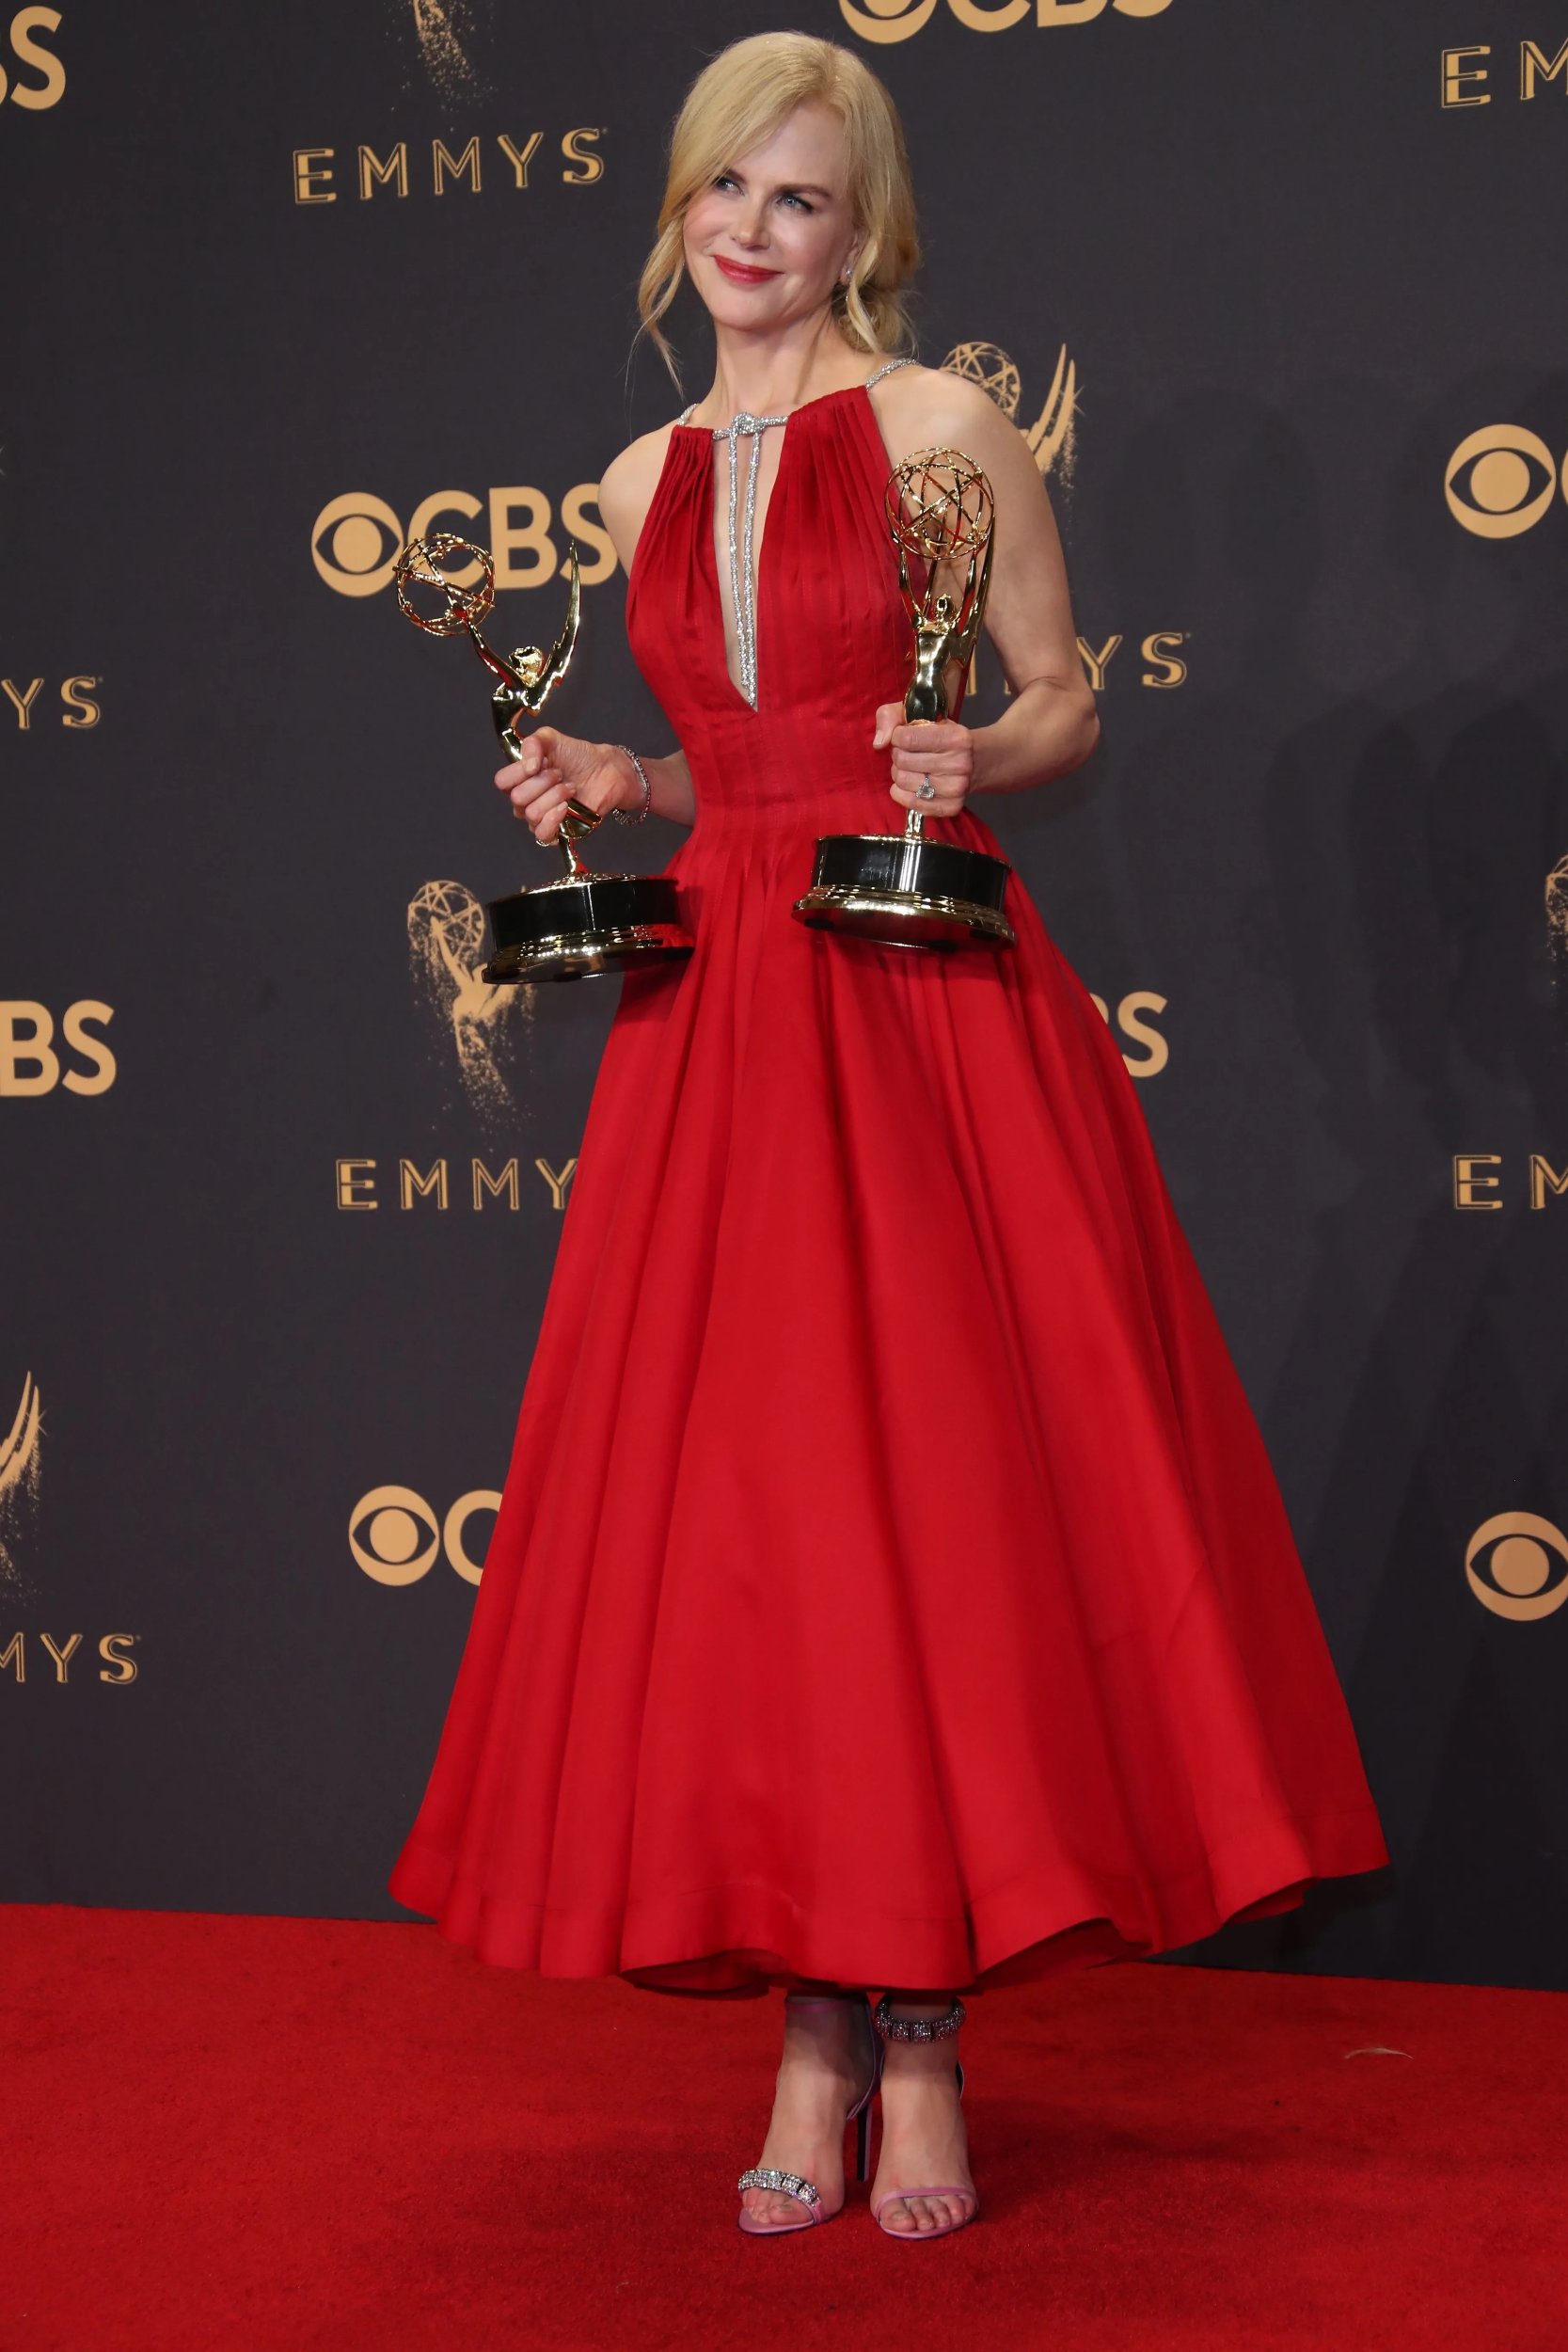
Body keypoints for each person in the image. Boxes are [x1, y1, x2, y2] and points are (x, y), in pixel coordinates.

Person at [388, 30, 1388, 2242]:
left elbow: (1060, 694)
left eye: (801, 200)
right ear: (679, 211)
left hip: (917, 993)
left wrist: (972, 759)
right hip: (720, 1017)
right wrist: (615, 778)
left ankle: (917, 2032)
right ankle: (810, 2024)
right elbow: (719, 760)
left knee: (930, 1501)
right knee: (767, 1521)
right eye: (725, 191)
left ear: (866, 236)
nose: (753, 232)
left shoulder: (947, 430)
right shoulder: (637, 479)